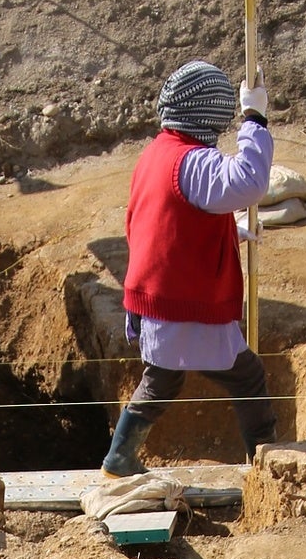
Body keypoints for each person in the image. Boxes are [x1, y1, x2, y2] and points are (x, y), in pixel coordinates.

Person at [102, 61, 280, 480]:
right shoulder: (191, 161)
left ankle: (119, 458)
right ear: (211, 114)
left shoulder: (156, 153)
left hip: (156, 295)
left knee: (163, 379)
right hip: (179, 301)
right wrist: (254, 119)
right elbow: (248, 181)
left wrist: (224, 233)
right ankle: (268, 461)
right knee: (248, 376)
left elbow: (167, 226)